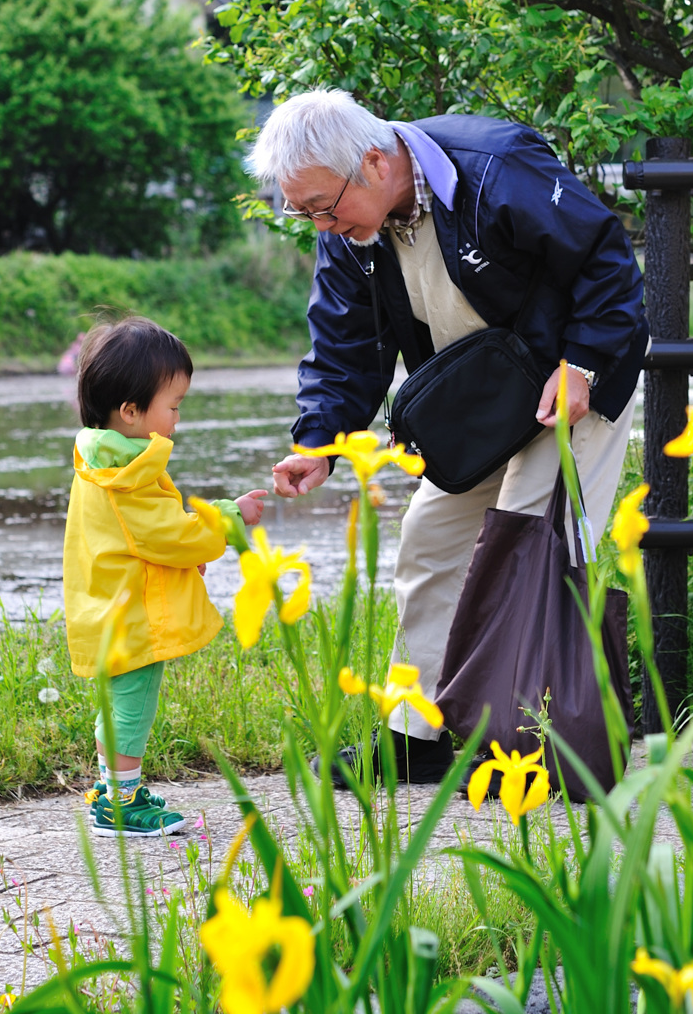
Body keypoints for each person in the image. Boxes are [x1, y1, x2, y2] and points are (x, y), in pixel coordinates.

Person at [248, 88, 648, 787]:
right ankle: (421, 735)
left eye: (322, 206)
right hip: (481, 408)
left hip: (569, 387)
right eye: (303, 211)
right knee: (427, 544)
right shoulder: (351, 232)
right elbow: (344, 343)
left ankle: (536, 741)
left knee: (525, 545)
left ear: (373, 162)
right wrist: (317, 440)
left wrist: (581, 362)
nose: (320, 224)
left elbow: (604, 260)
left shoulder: (493, 167)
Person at [63, 315, 267, 836]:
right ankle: (120, 805)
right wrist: (228, 517)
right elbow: (170, 534)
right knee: (131, 707)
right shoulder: (127, 476)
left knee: (122, 702)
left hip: (110, 603)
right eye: (173, 406)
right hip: (131, 612)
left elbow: (148, 538)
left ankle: (114, 789)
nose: (177, 418)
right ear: (130, 412)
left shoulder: (106, 457)